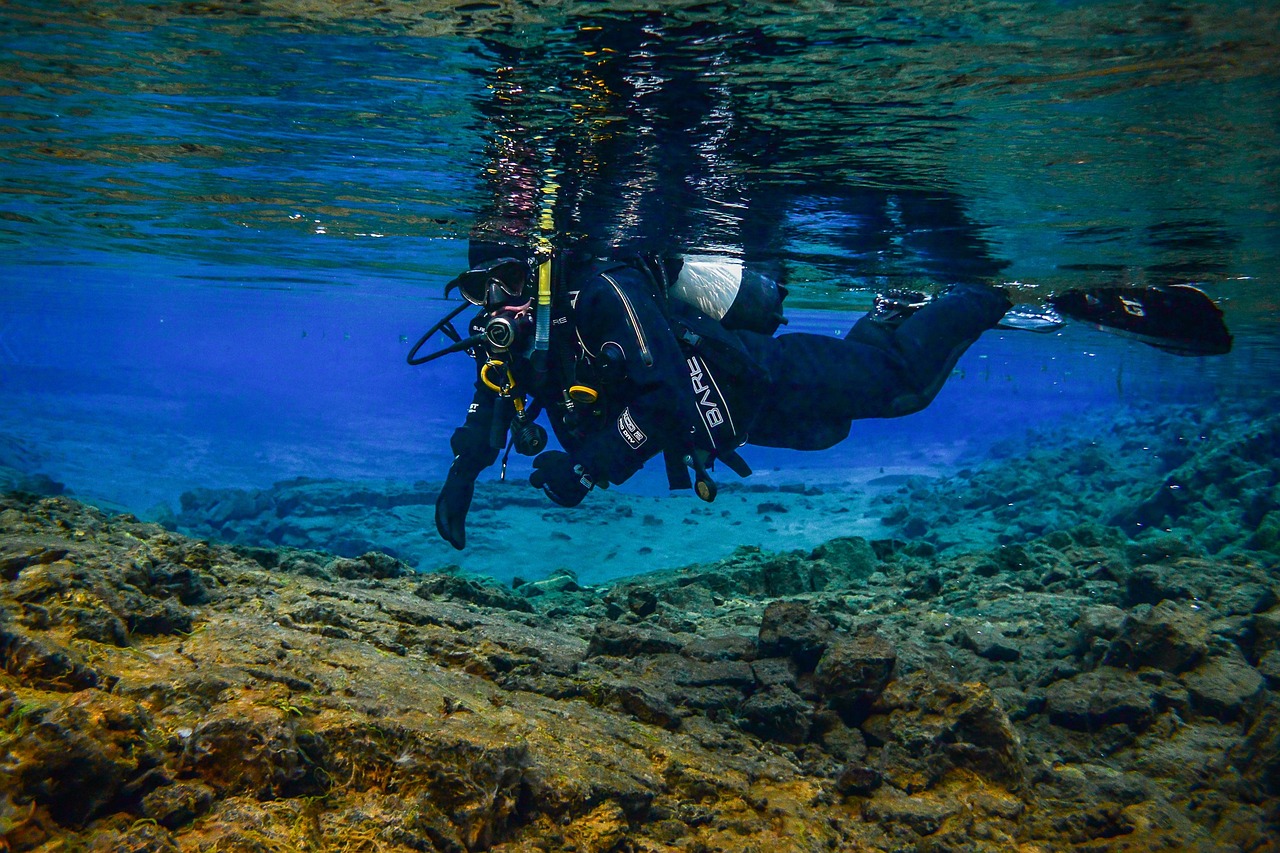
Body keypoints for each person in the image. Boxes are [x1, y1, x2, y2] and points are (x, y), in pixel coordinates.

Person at [426, 245, 1012, 550]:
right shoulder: (517, 340)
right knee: (832, 428)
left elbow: (664, 394)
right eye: (482, 290)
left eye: (507, 281)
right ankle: (891, 312)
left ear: (539, 274)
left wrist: (586, 467)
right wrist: (463, 474)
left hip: (757, 374)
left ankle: (992, 289)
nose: (496, 303)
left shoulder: (602, 292)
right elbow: (492, 401)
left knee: (901, 387)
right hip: (730, 420)